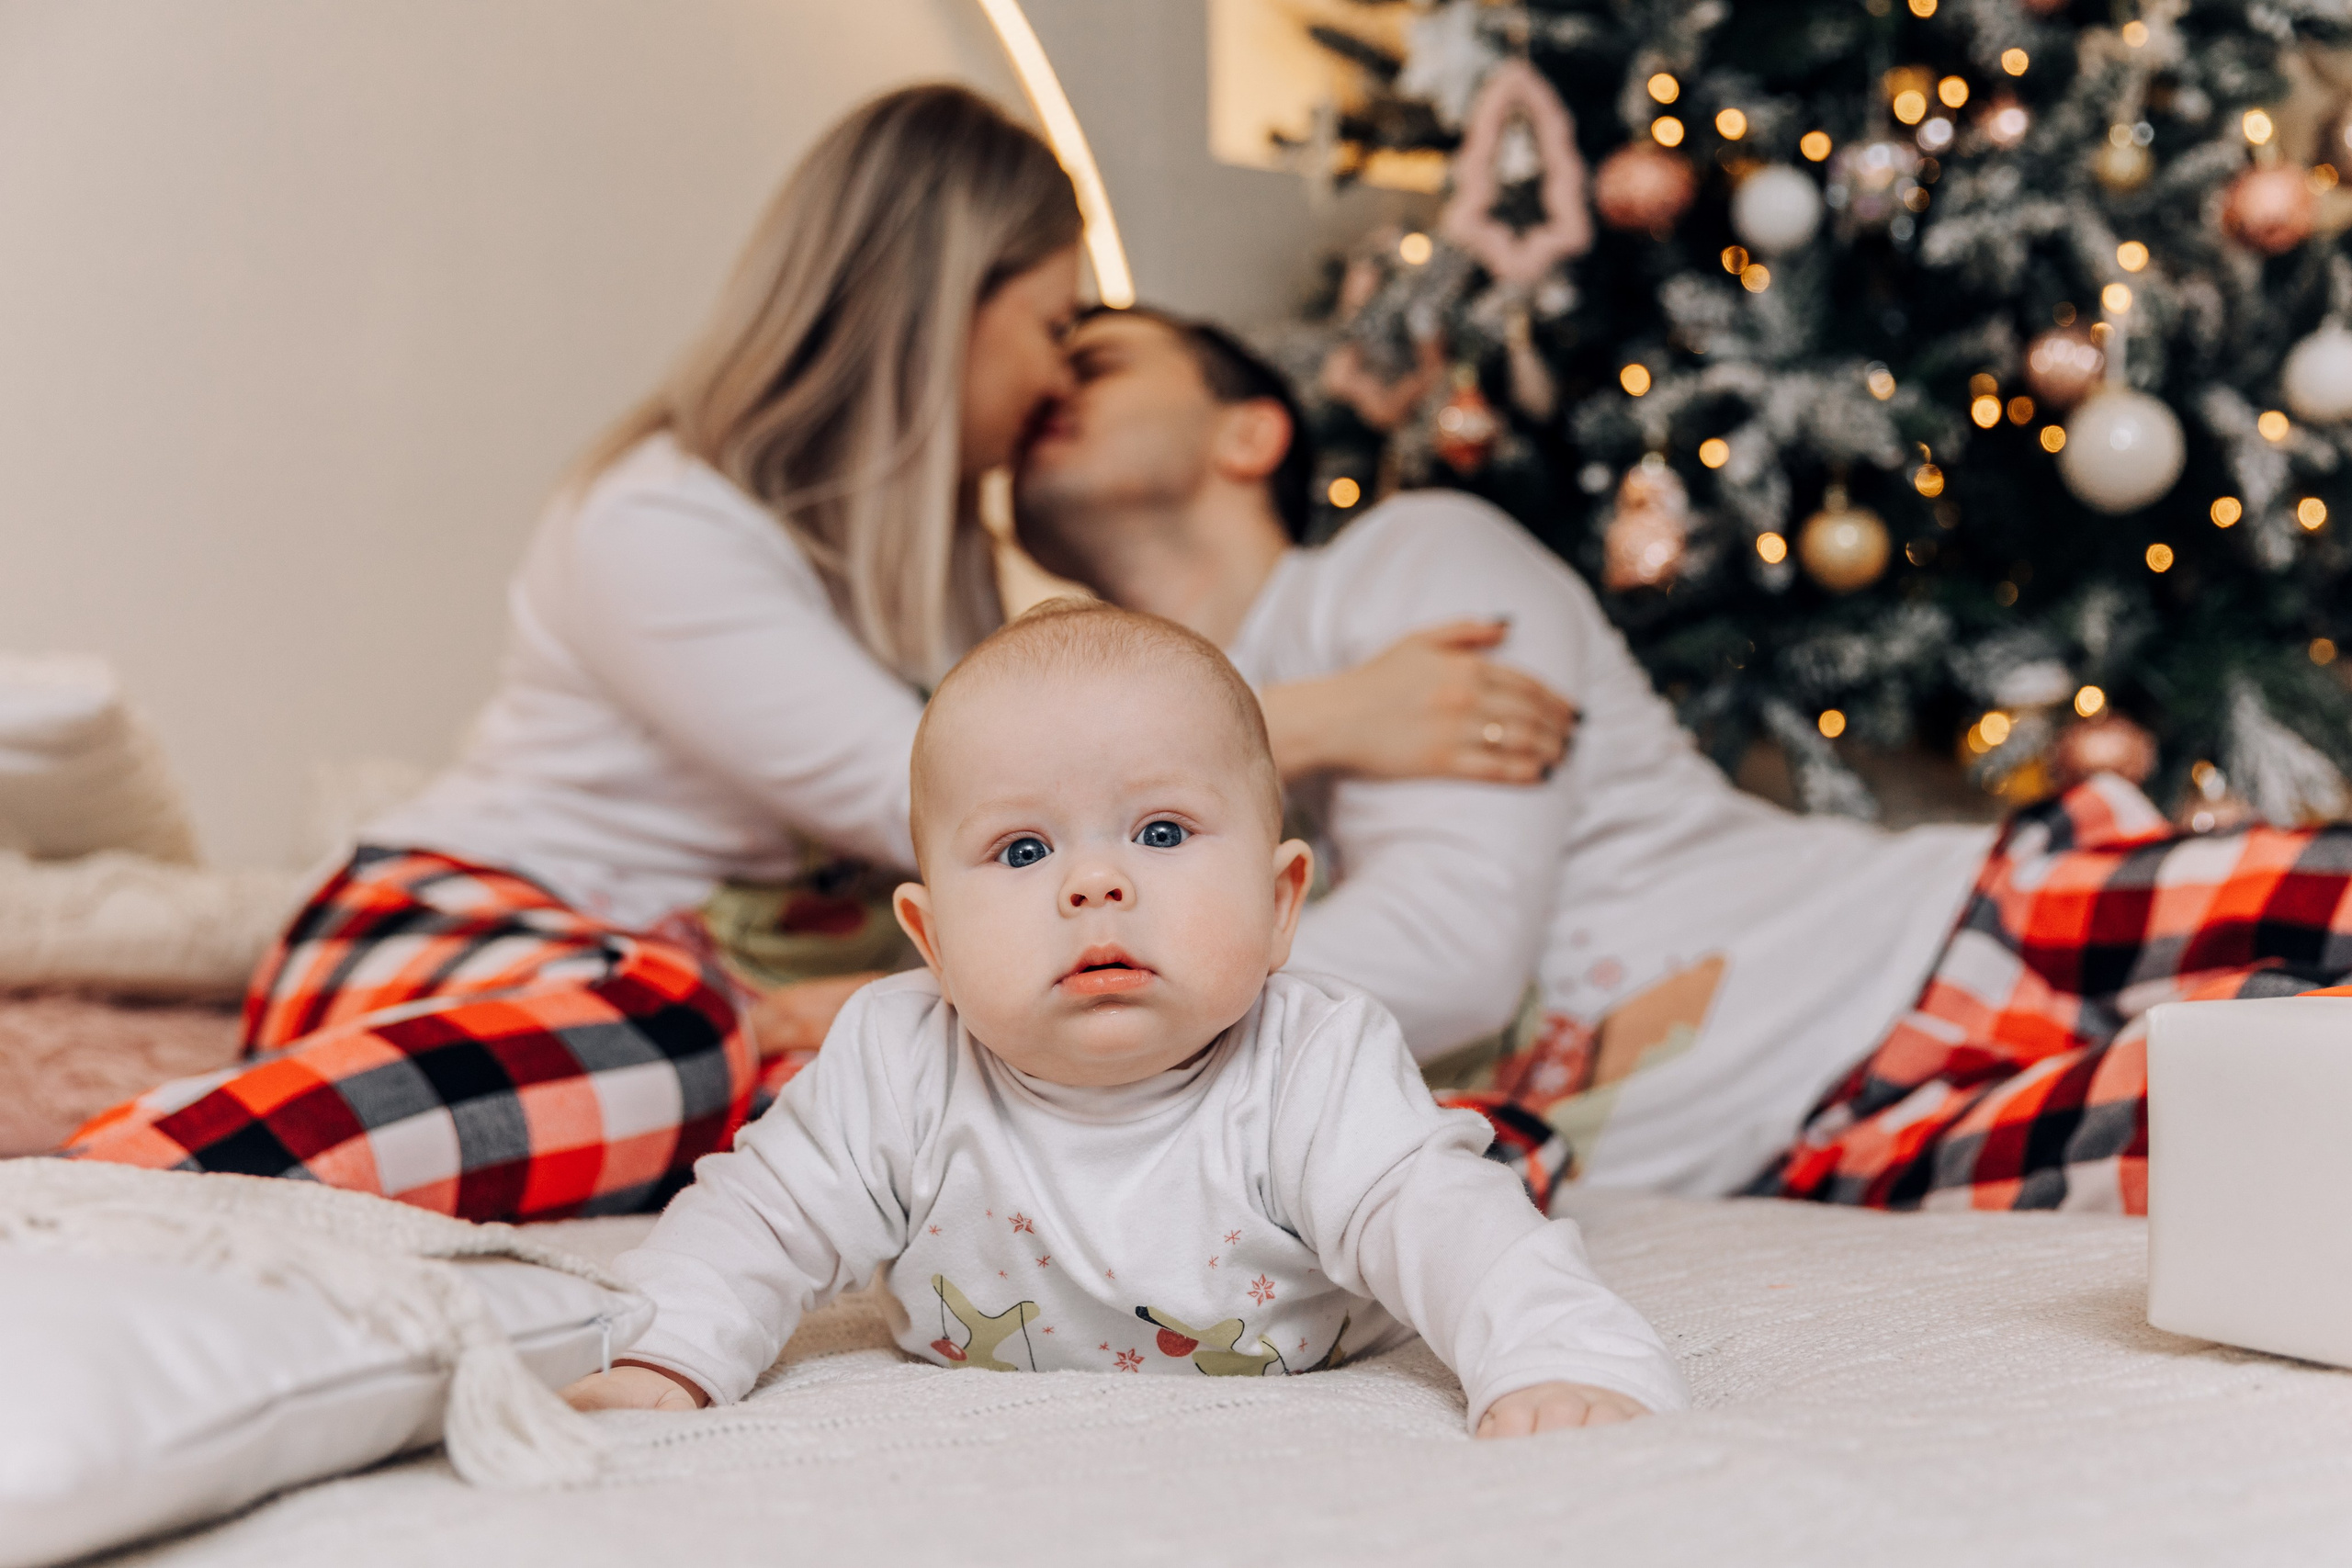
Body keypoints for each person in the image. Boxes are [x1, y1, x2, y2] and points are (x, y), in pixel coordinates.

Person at [61, 86, 1573, 1221]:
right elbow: (929, 795)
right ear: (935, 311)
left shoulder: (944, 577)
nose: (1058, 373)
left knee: (1014, 1071)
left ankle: (1388, 1178)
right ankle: (111, 1199)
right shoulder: (657, 522)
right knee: (707, 1040)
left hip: (677, 997)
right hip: (441, 933)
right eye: (1050, 323)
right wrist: (1324, 719)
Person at [1010, 305, 2352, 1213]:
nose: (1047, 382)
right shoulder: (1090, 741)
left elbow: (1455, 939)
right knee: (2287, 1165)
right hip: (1811, 1160)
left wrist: (1029, 1010)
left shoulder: (1411, 559)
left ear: (1252, 433)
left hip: (1938, 940)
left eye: (1101, 357)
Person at [560, 601, 1687, 1435]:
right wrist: (662, 1356)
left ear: (1281, 901)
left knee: (1466, 1163)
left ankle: (1515, 1132)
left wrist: (1556, 1361)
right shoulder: (893, 1059)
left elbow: (1447, 1226)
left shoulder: (1313, 1060)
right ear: (932, 939)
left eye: (1159, 833)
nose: (1093, 885)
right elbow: (755, 1221)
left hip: (1361, 1216)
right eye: (1022, 849)